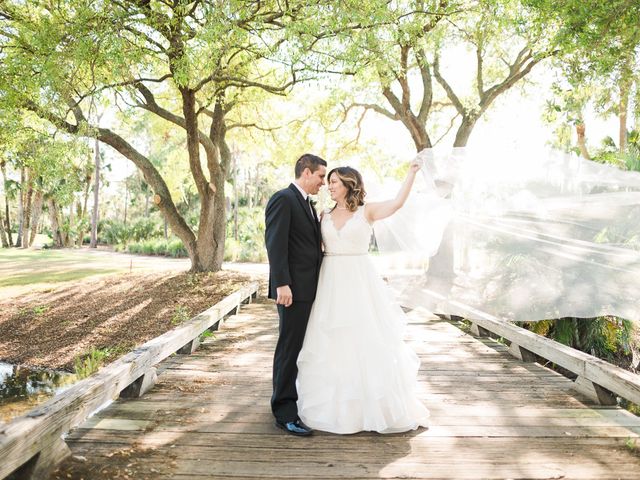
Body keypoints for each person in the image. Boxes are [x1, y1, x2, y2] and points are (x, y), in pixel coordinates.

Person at [296, 162, 430, 434]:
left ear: (348, 184)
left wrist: (411, 174)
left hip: (360, 280)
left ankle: (371, 409)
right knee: (331, 341)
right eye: (328, 181)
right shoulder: (323, 214)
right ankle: (335, 409)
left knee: (365, 338)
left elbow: (397, 204)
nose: (329, 186)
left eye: (334, 181)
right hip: (330, 281)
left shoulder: (366, 211)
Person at [264, 153, 327, 436]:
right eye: (321, 176)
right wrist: (282, 284)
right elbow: (275, 244)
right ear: (305, 172)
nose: (323, 183)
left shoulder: (307, 204)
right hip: (292, 291)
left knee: (300, 347)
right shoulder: (283, 199)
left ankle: (297, 400)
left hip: (310, 289)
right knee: (289, 349)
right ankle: (284, 412)